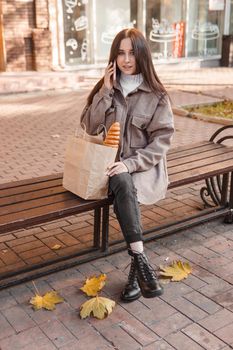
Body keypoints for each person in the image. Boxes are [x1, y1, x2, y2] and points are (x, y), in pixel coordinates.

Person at [80, 28, 174, 302]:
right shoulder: (107, 87)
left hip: (142, 167)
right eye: (120, 52)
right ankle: (142, 262)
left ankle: (137, 272)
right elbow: (88, 125)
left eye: (132, 52)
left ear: (142, 54)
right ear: (113, 57)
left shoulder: (156, 95)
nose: (126, 59)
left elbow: (162, 141)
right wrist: (106, 92)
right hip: (108, 168)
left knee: (125, 182)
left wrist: (130, 164)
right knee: (121, 181)